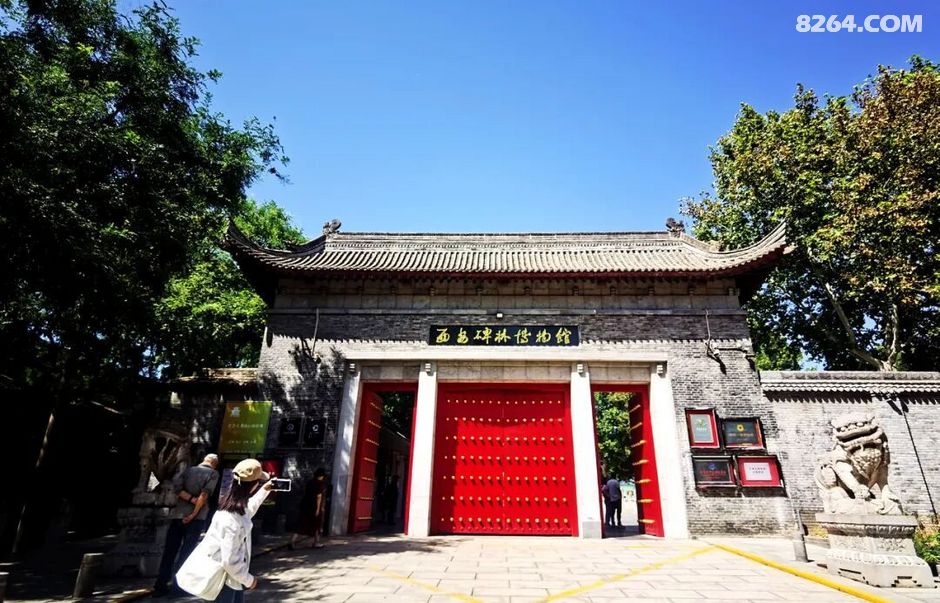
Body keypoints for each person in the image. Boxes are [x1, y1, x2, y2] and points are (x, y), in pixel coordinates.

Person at [182, 458, 274, 602]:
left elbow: (249, 509)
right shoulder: (231, 519)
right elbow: (229, 560)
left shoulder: (231, 509)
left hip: (232, 579)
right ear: (254, 485)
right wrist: (249, 580)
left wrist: (265, 490)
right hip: (222, 581)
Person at [153, 453, 220, 596]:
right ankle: (178, 587)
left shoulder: (187, 470)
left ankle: (160, 586)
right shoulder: (213, 474)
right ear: (214, 463)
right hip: (196, 518)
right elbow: (204, 495)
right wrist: (193, 513)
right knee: (186, 553)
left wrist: (189, 499)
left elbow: (177, 489)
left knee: (169, 552)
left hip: (177, 514)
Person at [291, 467, 327, 549]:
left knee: (300, 525)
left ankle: (292, 541)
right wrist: (318, 509)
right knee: (316, 525)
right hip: (313, 507)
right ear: (321, 476)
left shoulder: (310, 482)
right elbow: (319, 497)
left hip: (305, 506)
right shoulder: (319, 484)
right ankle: (316, 542)